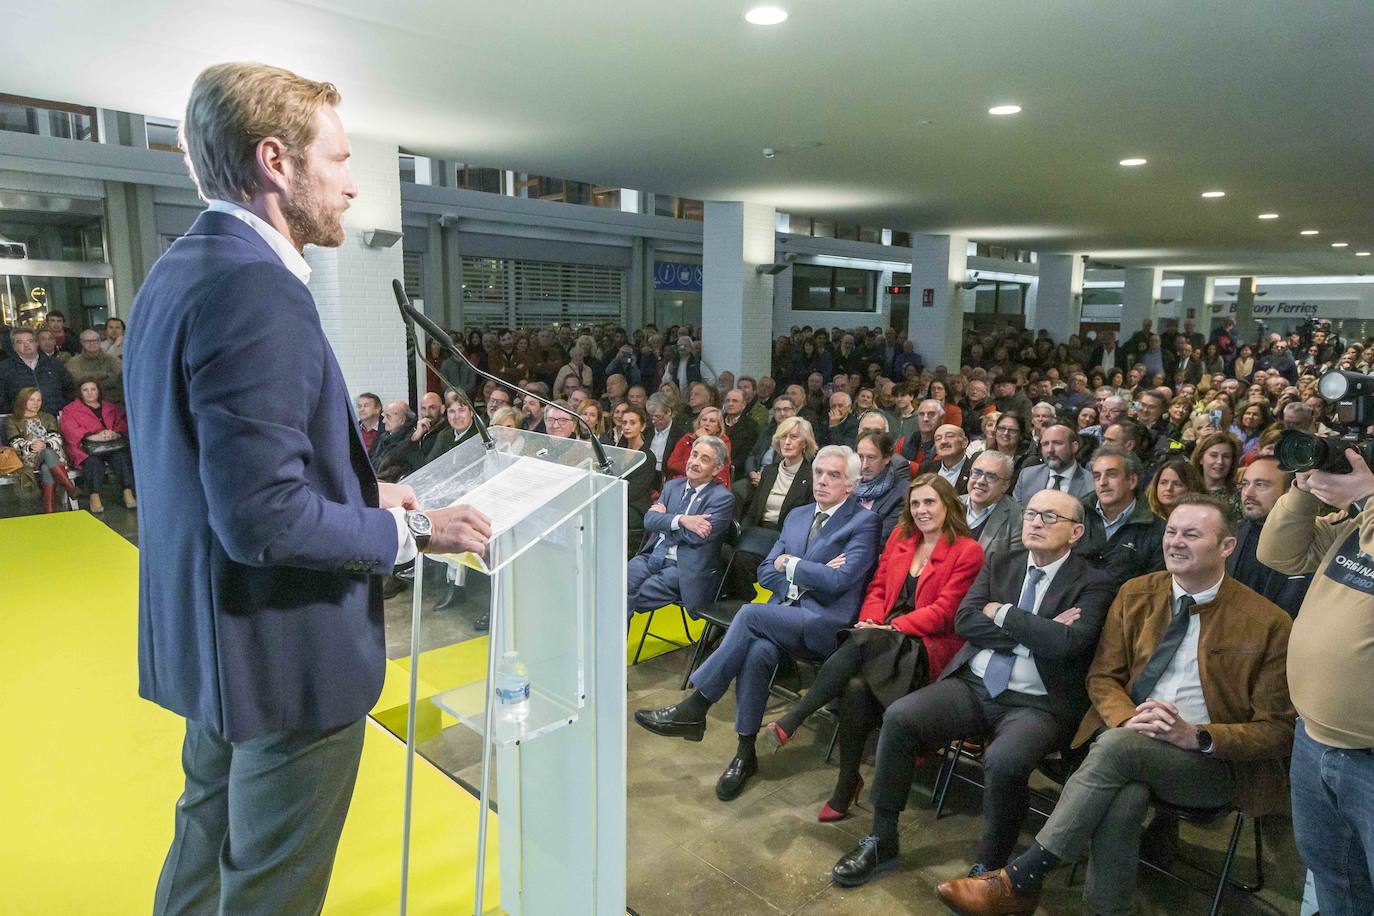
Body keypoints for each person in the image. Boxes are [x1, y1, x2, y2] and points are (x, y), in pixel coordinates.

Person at [122, 63, 492, 915]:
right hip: (283, 653)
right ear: (276, 162)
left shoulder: (181, 268)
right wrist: (418, 530)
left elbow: (220, 474)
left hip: (216, 643)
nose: (355, 184)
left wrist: (368, 497)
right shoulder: (258, 288)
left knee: (203, 851)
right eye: (339, 159)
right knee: (269, 891)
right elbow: (265, 521)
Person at [937, 495, 1295, 916]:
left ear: (1226, 547)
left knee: (1115, 749)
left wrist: (1196, 735)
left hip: (1209, 763)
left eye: (1192, 535)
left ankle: (1023, 878)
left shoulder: (1267, 622)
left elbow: (1278, 730)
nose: (1175, 543)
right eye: (1171, 532)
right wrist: (1128, 717)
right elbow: (1102, 676)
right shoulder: (1137, 593)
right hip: (1130, 739)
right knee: (1124, 793)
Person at [830, 489, 1112, 886]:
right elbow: (965, 621)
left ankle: (989, 867)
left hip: (1037, 703)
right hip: (975, 684)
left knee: (1004, 761)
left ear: (1076, 532)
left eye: (1050, 517)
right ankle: (882, 837)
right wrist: (1034, 628)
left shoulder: (1094, 582)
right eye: (1031, 513)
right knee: (900, 717)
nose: (1034, 522)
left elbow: (1068, 645)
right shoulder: (1001, 562)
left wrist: (1003, 613)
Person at [635, 446, 881, 801]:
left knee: (750, 614)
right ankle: (744, 753)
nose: (823, 481)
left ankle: (697, 705)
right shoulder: (797, 515)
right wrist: (803, 572)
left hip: (825, 624)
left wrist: (791, 564)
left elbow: (841, 583)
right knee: (757, 651)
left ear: (852, 485)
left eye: (834, 475)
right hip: (784, 615)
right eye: (820, 473)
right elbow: (766, 571)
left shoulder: (863, 522)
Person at [763, 475, 983, 820]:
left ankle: (795, 718)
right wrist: (871, 621)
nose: (922, 510)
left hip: (924, 647)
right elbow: (878, 586)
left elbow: (945, 613)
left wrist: (888, 628)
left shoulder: (967, 550)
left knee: (862, 646)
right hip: (878, 638)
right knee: (855, 686)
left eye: (930, 502)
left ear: (948, 505)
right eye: (915, 503)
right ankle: (846, 783)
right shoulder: (901, 537)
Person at [1257, 446, 1374, 916]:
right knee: (1336, 880)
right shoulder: (1355, 526)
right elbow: (1279, 554)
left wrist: (1367, 497)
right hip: (1314, 741)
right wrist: (1304, 493)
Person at [625, 435, 735, 618]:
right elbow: (649, 521)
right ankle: (611, 646)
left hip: (683, 567)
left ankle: (610, 647)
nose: (695, 462)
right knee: (613, 590)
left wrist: (664, 519)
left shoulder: (722, 498)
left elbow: (697, 536)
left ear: (717, 469)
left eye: (704, 459)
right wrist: (682, 520)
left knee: (624, 598)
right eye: (694, 455)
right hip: (651, 556)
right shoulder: (672, 486)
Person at [1227, 456, 1312, 612]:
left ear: (1289, 490)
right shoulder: (1230, 535)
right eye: (1245, 484)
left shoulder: (1313, 540)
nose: (1248, 493)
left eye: (1260, 485)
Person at [1073, 446, 1165, 587]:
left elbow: (1153, 587)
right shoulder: (1075, 516)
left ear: (1132, 480)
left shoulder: (1157, 530)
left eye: (1111, 474)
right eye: (1097, 476)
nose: (1102, 482)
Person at [59, 378, 136, 513]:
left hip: (112, 445)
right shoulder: (70, 410)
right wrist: (92, 436)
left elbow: (123, 423)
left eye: (93, 389)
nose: (90, 393)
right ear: (80, 392)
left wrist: (115, 434)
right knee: (92, 462)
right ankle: (94, 496)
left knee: (121, 457)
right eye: (85, 390)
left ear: (98, 391)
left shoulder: (110, 407)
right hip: (85, 448)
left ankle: (127, 492)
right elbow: (69, 430)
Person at [4, 386, 80, 512]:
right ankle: (70, 488)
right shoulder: (13, 420)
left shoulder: (47, 417)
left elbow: (57, 438)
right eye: (31, 400)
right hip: (28, 457)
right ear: (23, 400)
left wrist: (46, 444)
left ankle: (49, 511)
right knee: (47, 454)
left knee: (46, 464)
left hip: (52, 457)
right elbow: (15, 442)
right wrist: (32, 446)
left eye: (39, 400)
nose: (36, 403)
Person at [961, 450, 1023, 558]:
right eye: (976, 473)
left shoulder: (1018, 519)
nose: (981, 481)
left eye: (991, 476)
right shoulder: (949, 505)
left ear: (1005, 485)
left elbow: (1011, 569)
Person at [1012, 423, 1093, 505]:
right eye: (1045, 444)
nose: (1050, 450)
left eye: (1057, 443)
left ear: (1074, 447)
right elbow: (1017, 513)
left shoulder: (1091, 484)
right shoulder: (1027, 476)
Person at [617, 405, 661, 554]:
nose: (627, 427)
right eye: (624, 423)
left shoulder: (647, 457)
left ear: (642, 426)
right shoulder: (619, 450)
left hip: (636, 507)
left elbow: (634, 491)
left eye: (632, 423)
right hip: (618, 500)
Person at [0, 326, 74, 414]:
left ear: (36, 343)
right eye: (20, 342)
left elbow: (70, 388)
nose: (26, 345)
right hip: (21, 422)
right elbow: (2, 398)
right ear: (14, 347)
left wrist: (64, 410)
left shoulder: (54, 364)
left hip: (55, 417)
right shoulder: (4, 368)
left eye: (30, 341)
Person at [854, 430, 905, 541]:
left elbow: (882, 537)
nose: (864, 465)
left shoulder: (903, 493)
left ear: (887, 458)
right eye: (860, 457)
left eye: (871, 457)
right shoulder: (849, 488)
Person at [664, 406, 732, 488]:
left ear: (718, 427)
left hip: (711, 485)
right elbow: (672, 463)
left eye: (712, 421)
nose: (707, 423)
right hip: (682, 481)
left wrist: (704, 440)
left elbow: (720, 470)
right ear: (699, 422)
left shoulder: (723, 443)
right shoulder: (687, 438)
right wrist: (695, 471)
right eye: (704, 420)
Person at [66, 329, 125, 405]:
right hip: (84, 404)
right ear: (82, 342)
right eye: (88, 341)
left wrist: (89, 379)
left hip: (112, 401)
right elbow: (77, 379)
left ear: (100, 341)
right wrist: (104, 375)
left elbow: (118, 379)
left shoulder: (112, 359)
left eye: (95, 340)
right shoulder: (74, 361)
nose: (92, 343)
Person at [1191, 431, 1242, 517]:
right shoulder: (1187, 489)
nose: (1220, 461)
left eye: (1226, 456)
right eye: (1214, 455)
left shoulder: (1240, 494)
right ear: (1201, 459)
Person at [1145, 456, 1206, 521]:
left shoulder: (1203, 518)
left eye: (1177, 484)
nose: (1169, 488)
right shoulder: (1144, 516)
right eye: (1163, 483)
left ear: (1191, 488)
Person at [918, 423, 971, 495]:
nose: (943, 441)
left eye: (949, 436)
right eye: (938, 439)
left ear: (964, 442)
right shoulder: (926, 469)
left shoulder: (974, 470)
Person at [426, 396, 479, 463]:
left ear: (471, 412)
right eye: (451, 411)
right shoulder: (443, 436)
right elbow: (430, 465)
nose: (457, 416)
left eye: (461, 410)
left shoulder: (479, 436)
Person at [645, 392, 688, 472]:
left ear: (668, 412)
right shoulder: (646, 432)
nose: (654, 421)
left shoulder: (680, 435)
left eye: (658, 417)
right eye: (651, 416)